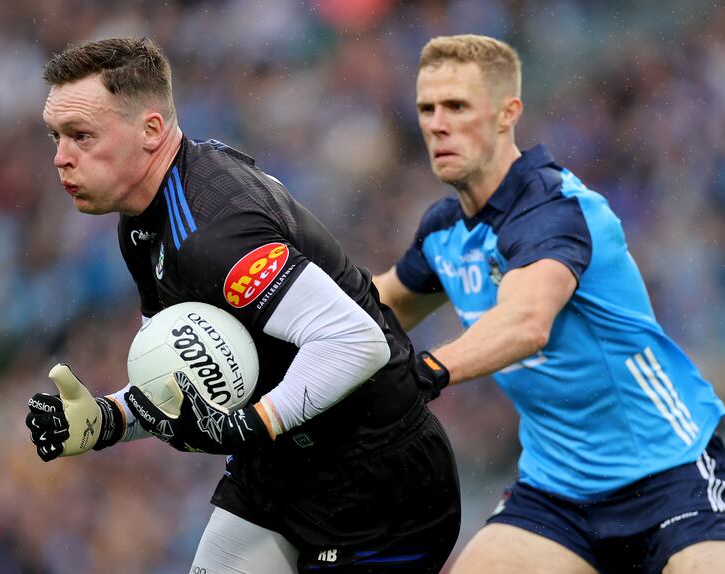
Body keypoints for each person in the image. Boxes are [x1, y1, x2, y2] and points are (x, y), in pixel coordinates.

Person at [24, 37, 461, 574]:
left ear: (152, 130)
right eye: (56, 136)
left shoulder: (214, 234)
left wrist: (246, 426)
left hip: (377, 482)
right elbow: (186, 383)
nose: (60, 157)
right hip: (277, 468)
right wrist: (106, 420)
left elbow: (356, 342)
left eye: (81, 136)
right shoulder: (141, 220)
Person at [372, 34, 725, 574]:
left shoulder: (558, 211)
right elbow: (381, 304)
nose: (437, 124)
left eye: (457, 106)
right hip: (558, 492)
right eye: (426, 108)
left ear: (508, 113)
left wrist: (422, 373)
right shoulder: (444, 230)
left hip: (670, 474)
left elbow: (527, 323)